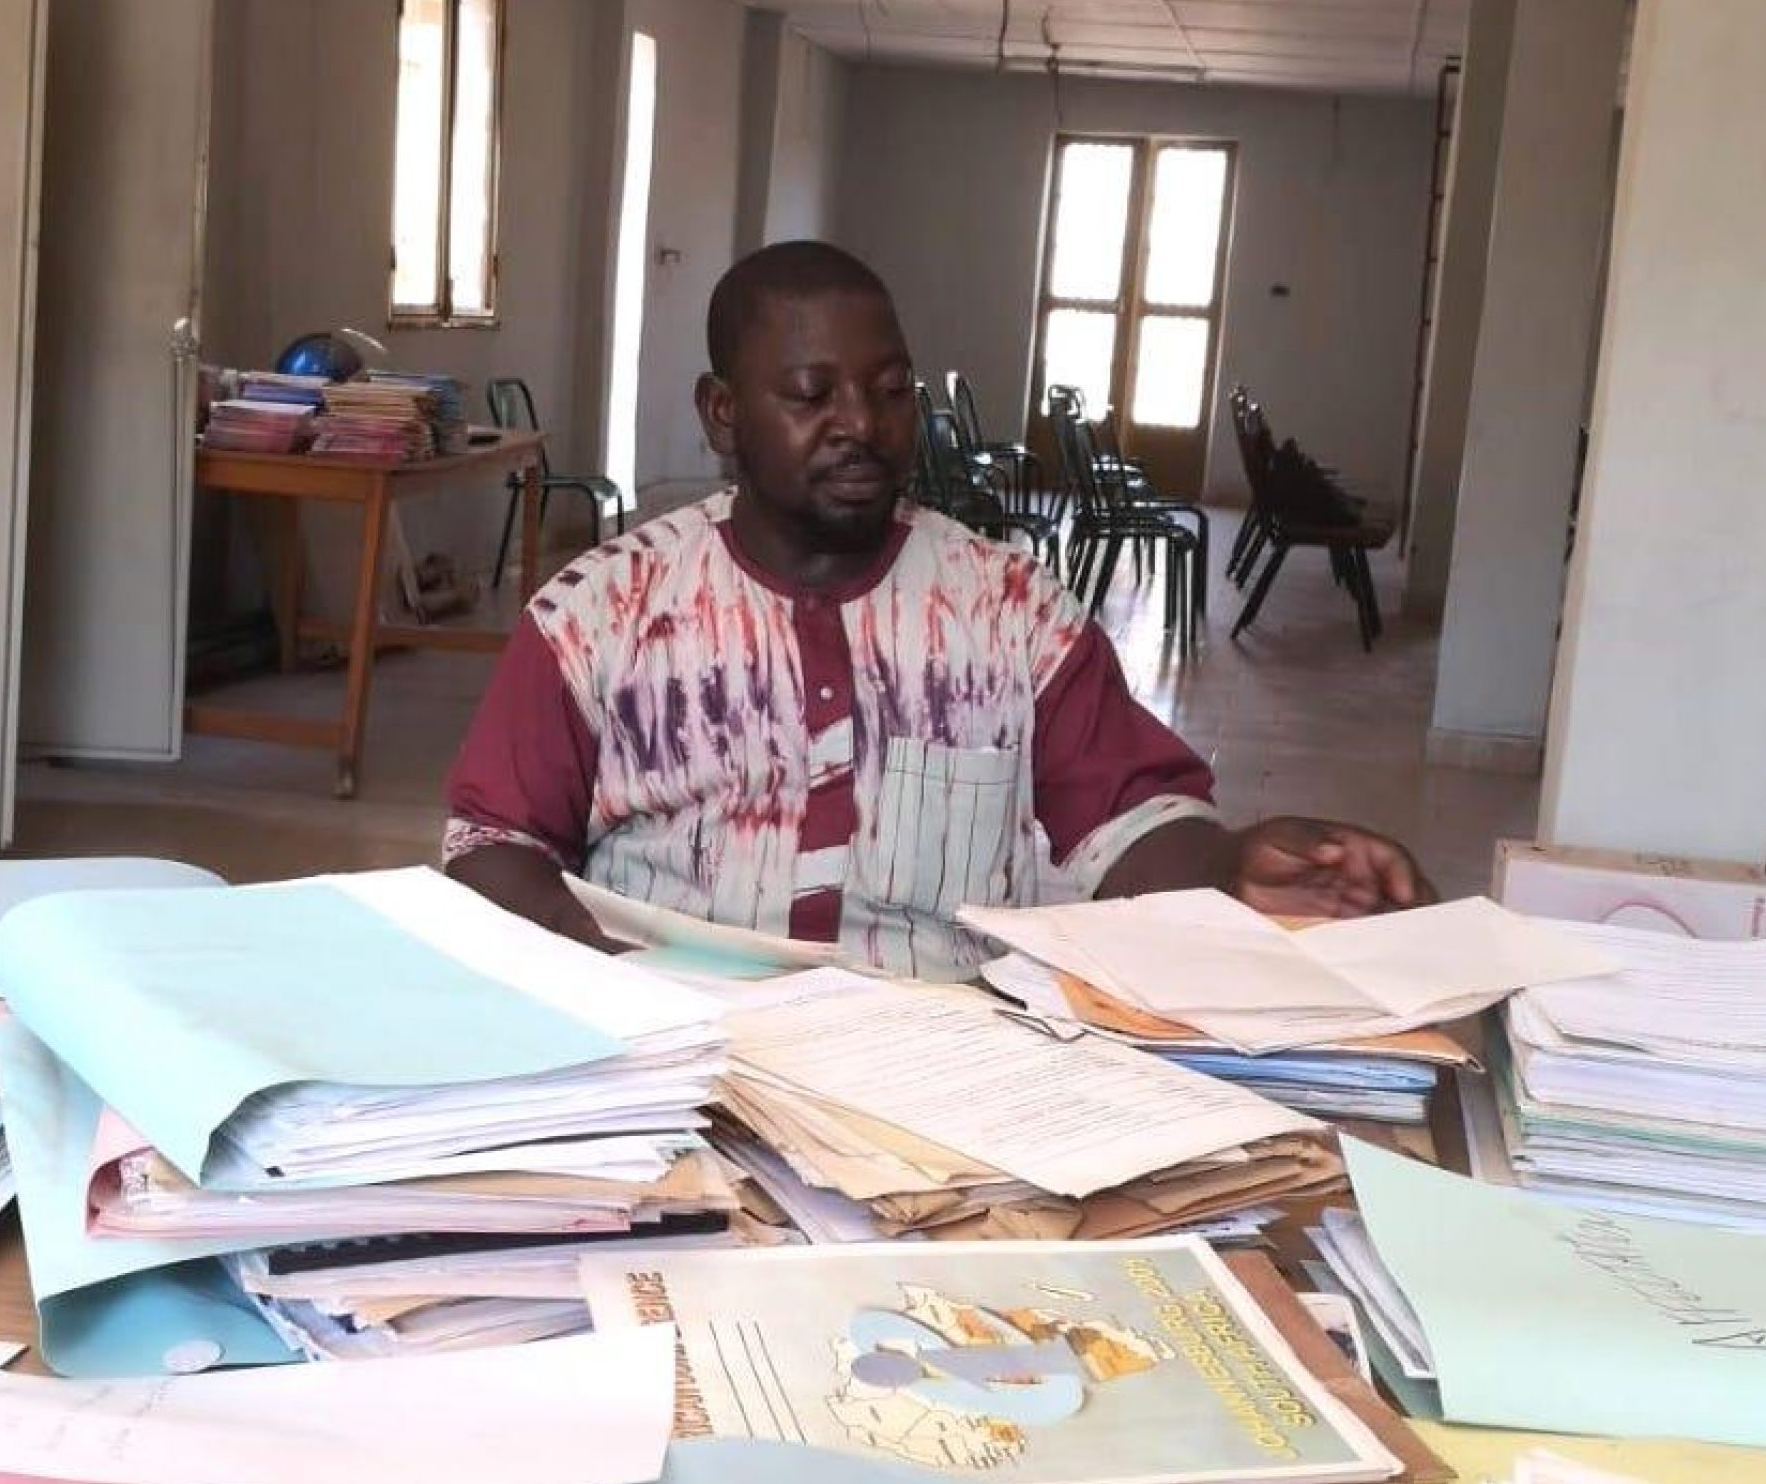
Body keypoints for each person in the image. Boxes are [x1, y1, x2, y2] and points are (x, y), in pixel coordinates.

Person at [444, 240, 1428, 977]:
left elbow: (1129, 820)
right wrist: (601, 976)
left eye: (889, 391)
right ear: (722, 413)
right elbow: (492, 844)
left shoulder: (1011, 611)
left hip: (939, 1064)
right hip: (675, 1049)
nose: (861, 425)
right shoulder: (599, 613)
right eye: (812, 395)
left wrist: (1227, 863)